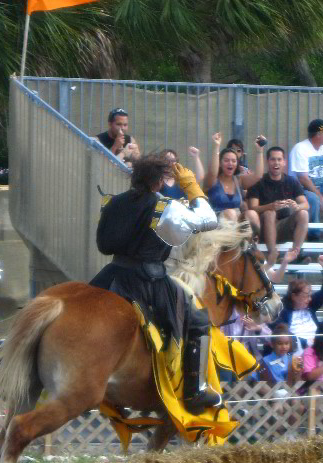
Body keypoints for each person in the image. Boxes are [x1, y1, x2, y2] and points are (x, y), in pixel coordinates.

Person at [91, 154, 224, 414]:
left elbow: (104, 244)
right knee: (198, 320)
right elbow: (209, 221)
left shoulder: (113, 202)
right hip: (148, 280)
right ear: (159, 181)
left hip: (112, 274)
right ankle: (194, 390)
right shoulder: (165, 206)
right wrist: (192, 188)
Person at [246, 146, 309, 266]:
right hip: (263, 228)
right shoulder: (258, 182)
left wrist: (297, 206)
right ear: (267, 162)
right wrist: (270, 206)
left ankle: (295, 253)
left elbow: (305, 204)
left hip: (283, 227)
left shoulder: (291, 181)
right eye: (273, 159)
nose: (276, 163)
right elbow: (252, 208)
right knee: (270, 213)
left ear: (284, 162)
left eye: (279, 159)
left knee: (303, 213)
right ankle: (272, 253)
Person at [271, 254, 323, 351]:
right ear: (294, 296)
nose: (310, 299)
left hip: (317, 348)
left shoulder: (310, 305)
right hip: (297, 350)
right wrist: (306, 342)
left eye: (310, 295)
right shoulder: (283, 311)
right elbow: (283, 334)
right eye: (306, 295)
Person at [203, 132, 264, 226]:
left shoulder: (239, 180)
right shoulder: (212, 181)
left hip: (236, 221)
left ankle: (253, 239)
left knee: (252, 214)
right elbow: (212, 172)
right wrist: (216, 146)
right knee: (230, 213)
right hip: (216, 222)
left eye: (233, 161)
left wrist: (259, 151)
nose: (230, 163)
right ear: (220, 163)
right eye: (226, 160)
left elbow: (258, 176)